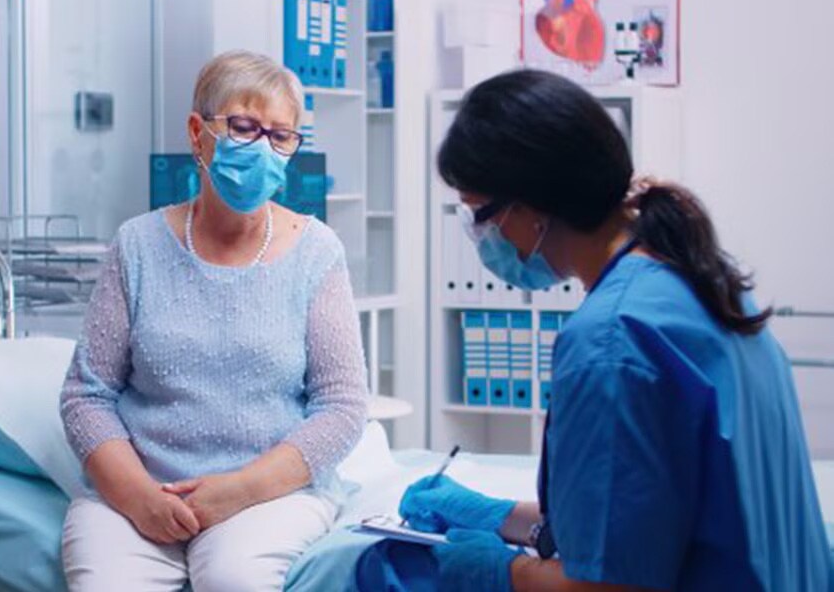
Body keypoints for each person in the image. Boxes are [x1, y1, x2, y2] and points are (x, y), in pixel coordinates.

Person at [353, 70, 832, 591]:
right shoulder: (703, 280)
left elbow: (608, 586)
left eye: (477, 216)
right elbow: (648, 514)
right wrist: (498, 516)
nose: (480, 238)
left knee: (381, 570)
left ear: (528, 209)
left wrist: (499, 569)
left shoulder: (612, 342)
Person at [59, 50, 368, 591]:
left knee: (233, 579)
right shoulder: (137, 245)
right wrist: (136, 495)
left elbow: (342, 408)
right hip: (141, 490)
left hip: (269, 494)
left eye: (280, 136)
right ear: (198, 133)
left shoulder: (316, 252)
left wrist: (239, 490)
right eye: (245, 127)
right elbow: (87, 395)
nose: (262, 149)